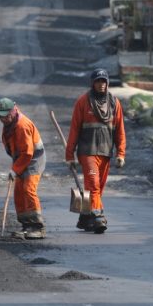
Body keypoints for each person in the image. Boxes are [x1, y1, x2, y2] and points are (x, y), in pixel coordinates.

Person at [65, 68, 125, 234]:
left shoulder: (114, 103)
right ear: (93, 83)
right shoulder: (83, 102)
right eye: (98, 81)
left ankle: (85, 218)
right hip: (87, 151)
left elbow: (120, 130)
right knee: (93, 185)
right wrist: (69, 155)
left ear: (107, 83)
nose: (101, 85)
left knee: (98, 188)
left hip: (105, 152)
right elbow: (74, 130)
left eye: (104, 81)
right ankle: (98, 216)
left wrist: (121, 153)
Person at [0, 98, 46, 239]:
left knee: (28, 189)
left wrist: (15, 169)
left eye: (5, 116)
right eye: (0, 116)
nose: (3, 119)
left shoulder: (22, 126)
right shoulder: (9, 125)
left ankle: (37, 227)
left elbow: (28, 153)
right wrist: (16, 167)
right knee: (19, 192)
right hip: (21, 160)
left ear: (13, 111)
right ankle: (26, 225)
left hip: (34, 160)